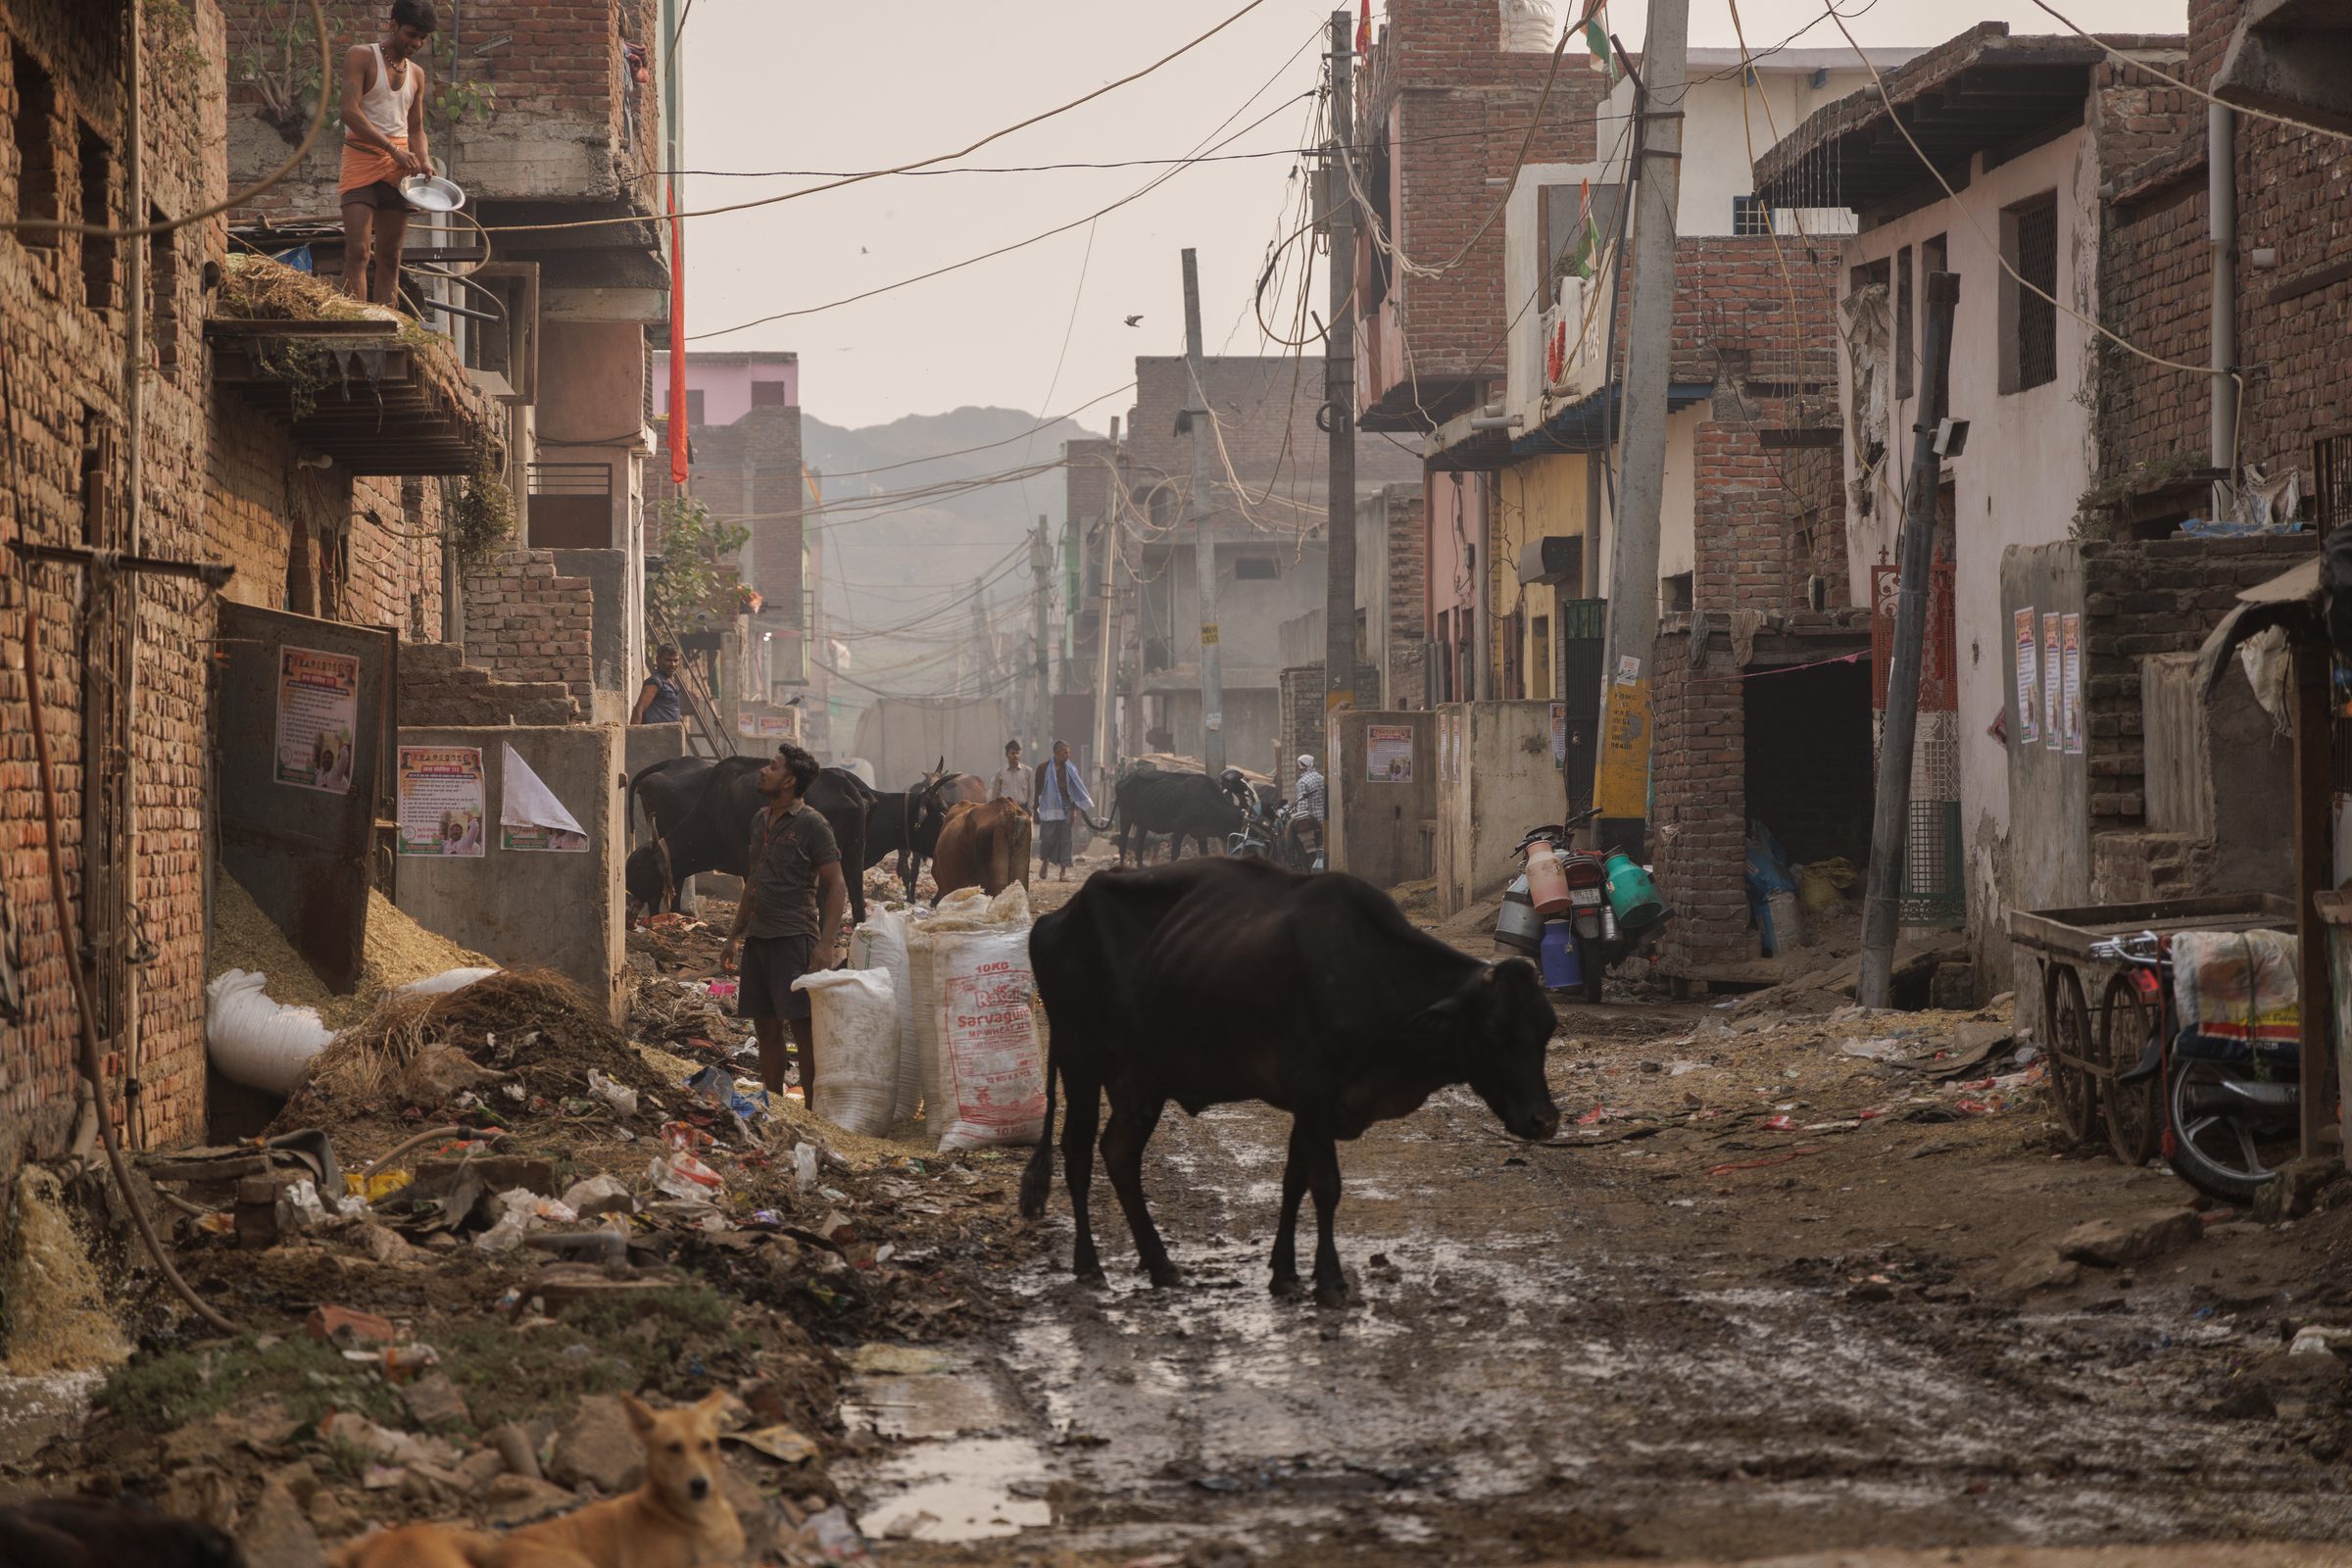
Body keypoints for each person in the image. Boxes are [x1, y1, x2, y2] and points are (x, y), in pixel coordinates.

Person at [720, 743, 848, 1102]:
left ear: (789, 780)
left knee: (802, 1031)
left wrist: (825, 944)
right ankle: (772, 1104)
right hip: (759, 939)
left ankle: (811, 1110)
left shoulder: (813, 825)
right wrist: (734, 935)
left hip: (794, 938)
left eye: (772, 767)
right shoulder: (760, 820)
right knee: (765, 1027)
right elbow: (753, 881)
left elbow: (836, 885)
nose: (763, 770)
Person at [338, 0, 436, 306]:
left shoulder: (417, 74)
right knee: (358, 251)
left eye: (422, 38)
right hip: (361, 161)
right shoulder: (361, 56)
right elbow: (349, 113)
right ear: (393, 25)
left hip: (399, 170)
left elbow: (416, 127)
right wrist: (392, 149)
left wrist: (425, 160)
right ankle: (355, 322)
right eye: (411, 34)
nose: (416, 43)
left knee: (391, 257)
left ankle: (387, 323)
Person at [1033, 739, 1102, 883]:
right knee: (1047, 838)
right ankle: (1045, 861)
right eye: (1065, 753)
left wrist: (1074, 810)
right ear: (1056, 753)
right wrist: (1036, 811)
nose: (1067, 756)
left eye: (1069, 753)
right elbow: (1038, 791)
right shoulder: (1043, 769)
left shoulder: (1071, 769)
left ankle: (1062, 873)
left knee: (1065, 839)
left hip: (1066, 806)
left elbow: (1075, 791)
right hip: (1048, 806)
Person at [632, 644, 684, 724]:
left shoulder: (672, 682)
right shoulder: (655, 682)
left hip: (670, 734)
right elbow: (638, 710)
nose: (672, 664)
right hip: (656, 734)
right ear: (658, 660)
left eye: (675, 660)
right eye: (668, 660)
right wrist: (633, 735)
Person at [1291, 753, 1327, 867]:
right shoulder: (1322, 778)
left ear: (1301, 766)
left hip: (1310, 822)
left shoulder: (1302, 782)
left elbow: (1303, 806)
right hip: (1323, 820)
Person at [989, 740, 1034, 809]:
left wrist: (1030, 809)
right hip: (1006, 810)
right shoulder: (1000, 772)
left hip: (1022, 809)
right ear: (1006, 754)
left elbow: (1031, 793)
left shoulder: (1028, 771)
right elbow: (995, 795)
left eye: (1017, 753)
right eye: (1012, 753)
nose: (1015, 756)